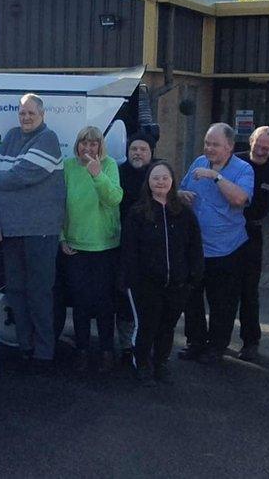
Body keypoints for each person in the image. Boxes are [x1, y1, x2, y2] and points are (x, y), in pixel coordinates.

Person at [0, 93, 66, 372]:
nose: (25, 118)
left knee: (39, 293)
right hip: (10, 231)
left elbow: (21, 176)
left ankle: (44, 354)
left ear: (42, 115)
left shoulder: (47, 138)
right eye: (22, 113)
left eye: (31, 113)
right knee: (15, 291)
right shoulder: (11, 137)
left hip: (41, 232)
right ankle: (25, 347)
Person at [178, 123, 254, 365]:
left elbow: (240, 199)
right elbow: (180, 189)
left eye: (215, 144)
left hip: (227, 250)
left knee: (222, 302)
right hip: (196, 248)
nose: (209, 148)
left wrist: (216, 177)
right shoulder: (198, 162)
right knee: (192, 299)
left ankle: (216, 346)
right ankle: (195, 342)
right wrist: (180, 195)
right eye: (207, 143)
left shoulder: (243, 169)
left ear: (229, 147)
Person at [122, 161, 203, 386]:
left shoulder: (184, 213)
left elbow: (194, 246)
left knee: (167, 326)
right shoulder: (137, 214)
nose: (160, 182)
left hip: (177, 284)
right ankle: (142, 365)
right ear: (148, 182)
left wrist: (193, 275)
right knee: (147, 326)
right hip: (146, 285)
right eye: (156, 177)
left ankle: (160, 363)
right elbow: (130, 250)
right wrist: (131, 279)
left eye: (165, 178)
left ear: (172, 181)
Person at [59, 126, 123, 372]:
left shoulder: (109, 165)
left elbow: (114, 198)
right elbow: (61, 203)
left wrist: (97, 175)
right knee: (81, 303)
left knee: (106, 304)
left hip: (105, 246)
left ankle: (107, 350)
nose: (88, 148)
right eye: (84, 143)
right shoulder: (68, 166)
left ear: (100, 147)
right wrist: (61, 237)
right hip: (76, 246)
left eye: (93, 144)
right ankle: (82, 350)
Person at [234, 126, 269, 362]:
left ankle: (250, 341)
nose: (262, 150)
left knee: (249, 290)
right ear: (251, 141)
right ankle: (215, 338)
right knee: (221, 288)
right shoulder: (236, 162)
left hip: (253, 232)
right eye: (259, 145)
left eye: (267, 147)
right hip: (228, 228)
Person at [114, 132, 157, 365]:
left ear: (151, 153)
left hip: (150, 247)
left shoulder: (158, 174)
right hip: (122, 244)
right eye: (133, 149)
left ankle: (146, 345)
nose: (137, 153)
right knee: (123, 296)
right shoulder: (118, 172)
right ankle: (125, 345)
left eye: (142, 149)